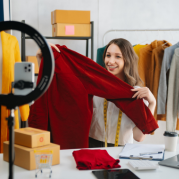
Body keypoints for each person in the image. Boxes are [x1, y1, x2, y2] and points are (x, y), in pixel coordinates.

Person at [89, 38, 156, 147]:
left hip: (121, 151)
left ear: (127, 60)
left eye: (118, 56)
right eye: (108, 55)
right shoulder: (95, 87)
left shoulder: (136, 93)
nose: (110, 61)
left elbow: (139, 137)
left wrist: (152, 102)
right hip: (92, 146)